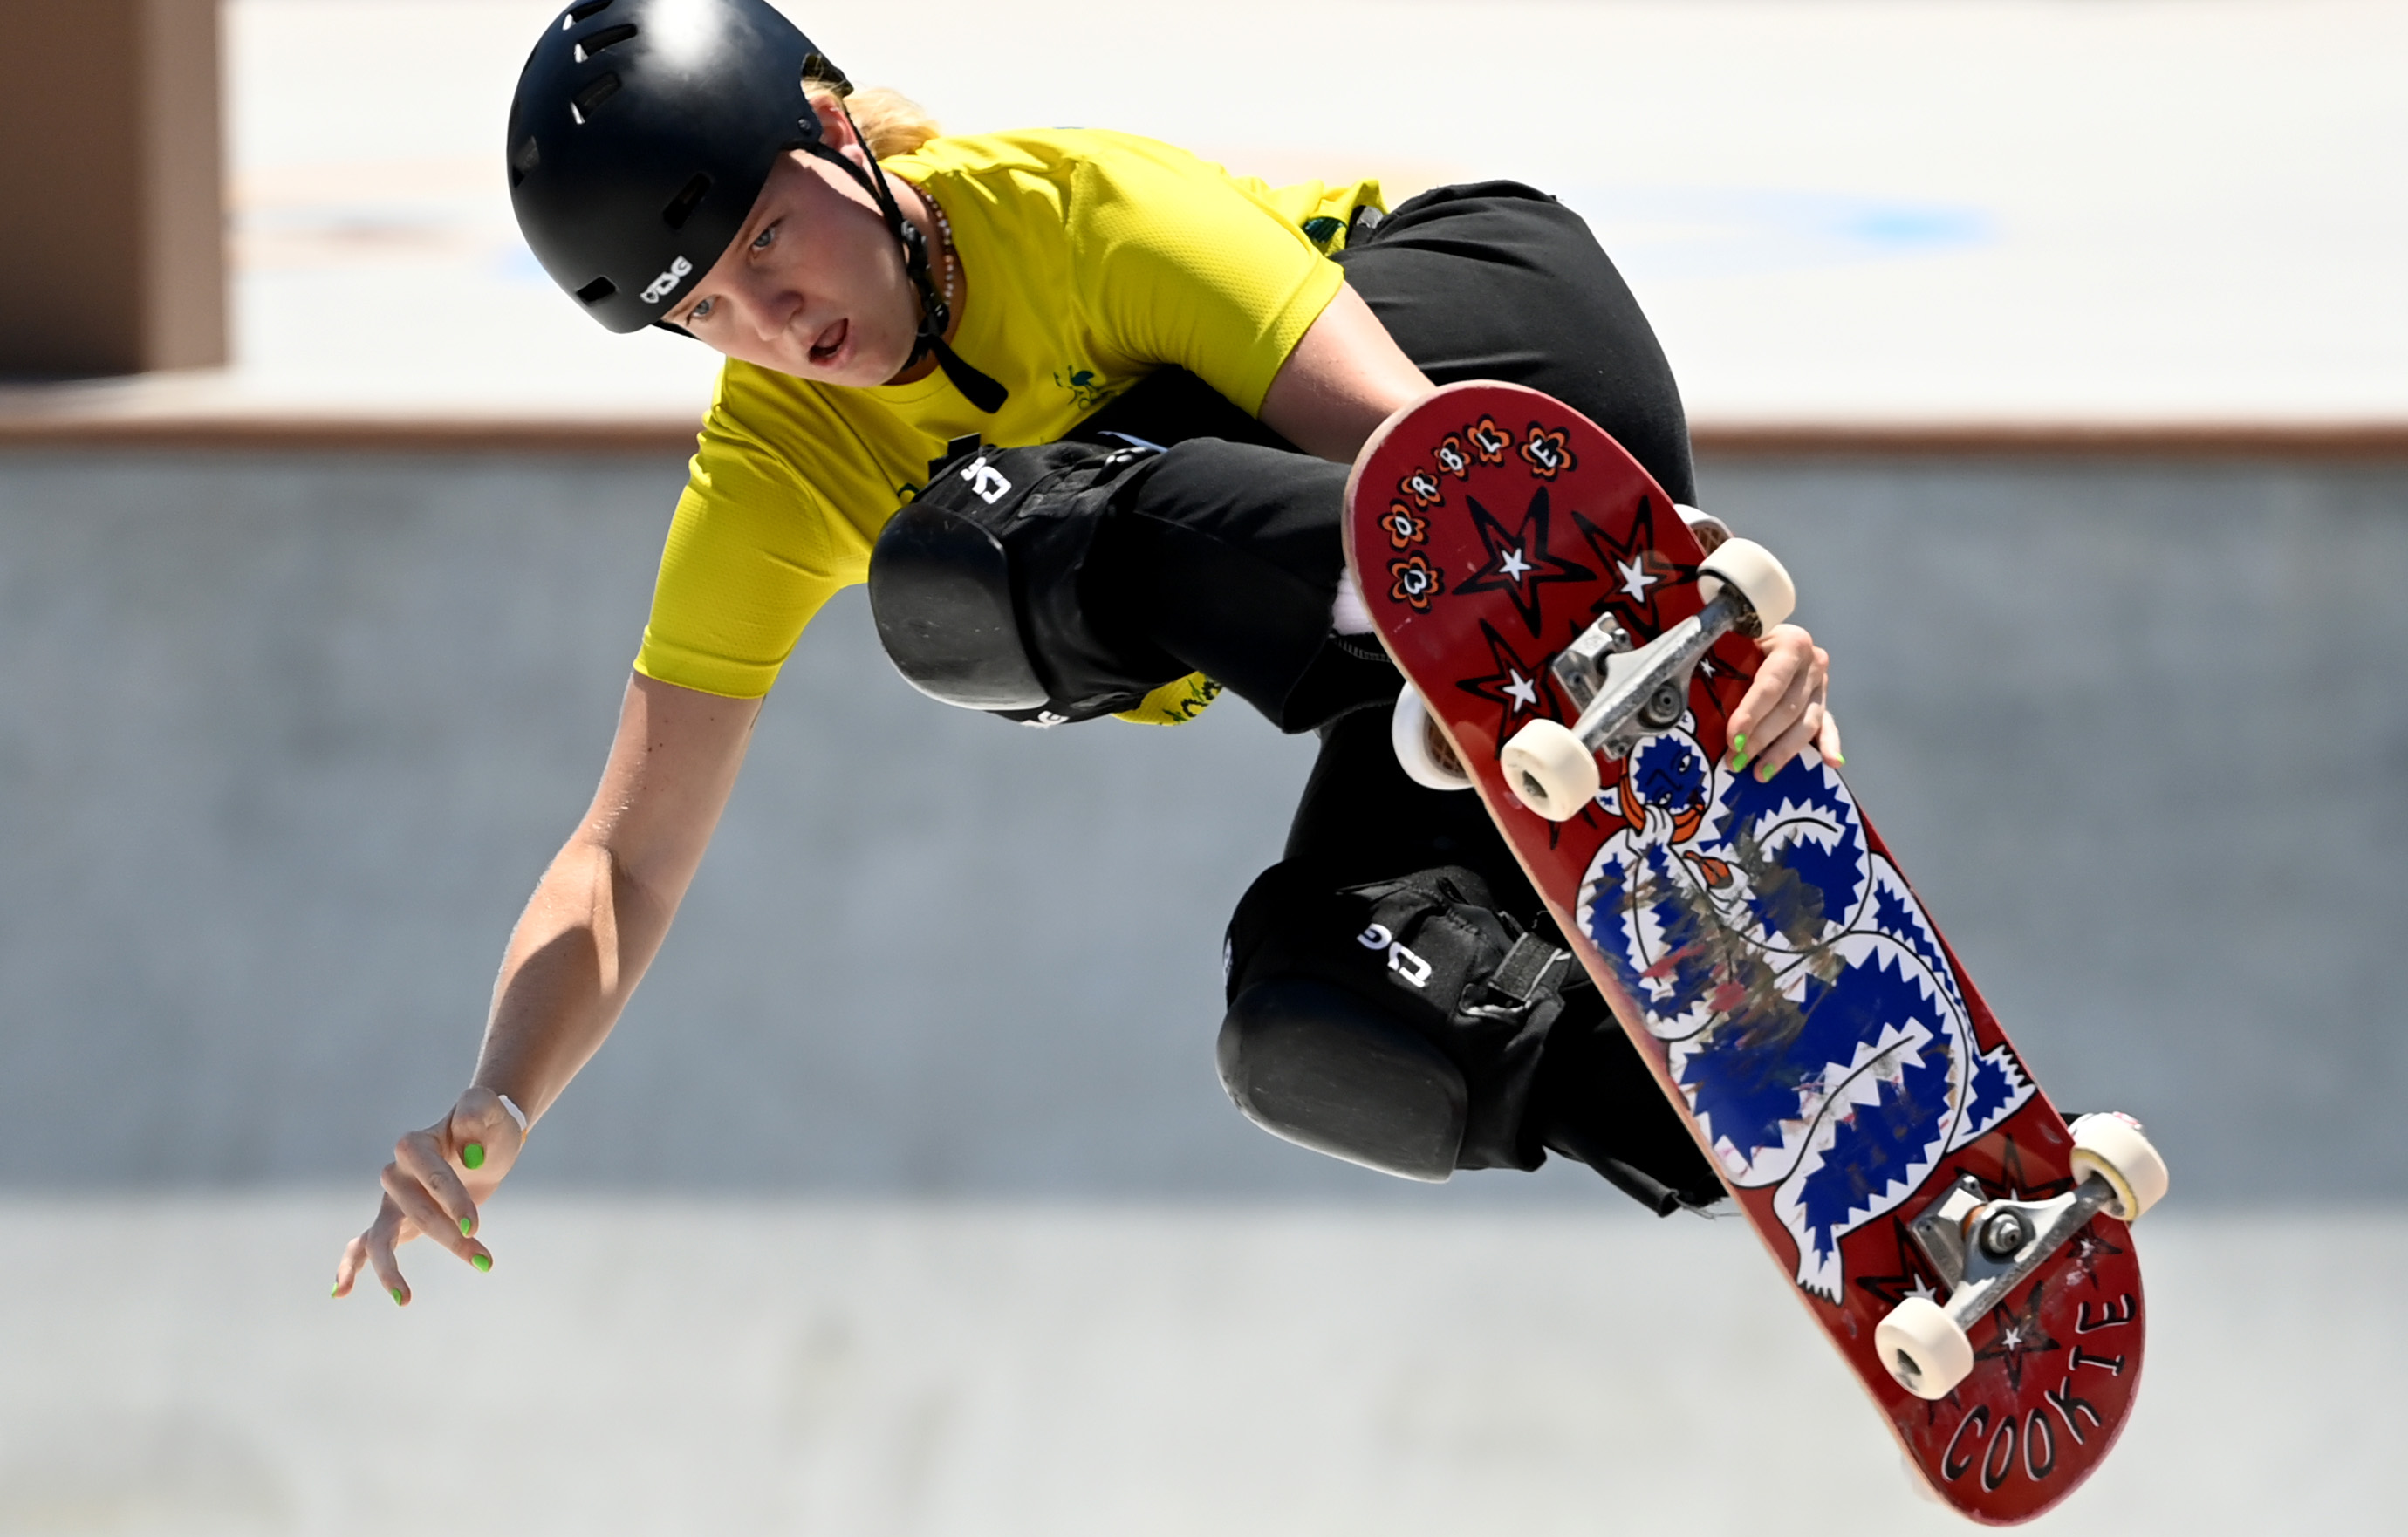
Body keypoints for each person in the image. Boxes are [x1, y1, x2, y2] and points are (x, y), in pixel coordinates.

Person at [333, 0, 1840, 1304]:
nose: (776, 321)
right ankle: (1797, 1130)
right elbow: (628, 855)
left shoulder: (1074, 214)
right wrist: (502, 1094)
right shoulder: (773, 469)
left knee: (984, 551)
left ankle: (1541, 663)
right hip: (1392, 596)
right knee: (1327, 1019)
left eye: (770, 240)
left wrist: (1702, 633)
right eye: (710, 310)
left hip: (1494, 355)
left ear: (835, 130)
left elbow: (1425, 454)